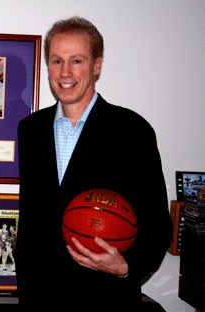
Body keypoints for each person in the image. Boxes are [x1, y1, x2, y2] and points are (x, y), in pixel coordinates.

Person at [15, 16, 172, 310]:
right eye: (56, 61)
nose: (65, 72)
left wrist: (127, 266)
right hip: (39, 297)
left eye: (76, 60)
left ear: (96, 65)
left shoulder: (132, 130)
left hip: (103, 298)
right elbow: (33, 214)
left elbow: (158, 222)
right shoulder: (30, 129)